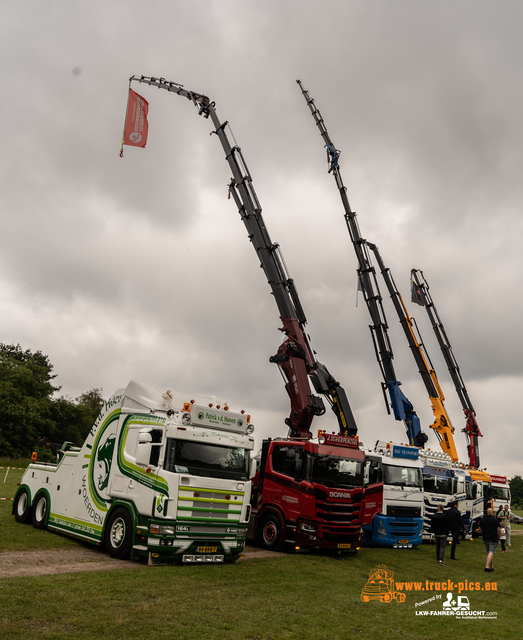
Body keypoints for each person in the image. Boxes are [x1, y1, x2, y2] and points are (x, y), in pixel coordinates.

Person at [479, 507, 501, 572]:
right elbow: (499, 530)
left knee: (489, 552)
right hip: (493, 538)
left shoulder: (482, 520)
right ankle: (486, 567)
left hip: (485, 538)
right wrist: (498, 537)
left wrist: (483, 533)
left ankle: (492, 567)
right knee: (491, 552)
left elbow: (480, 528)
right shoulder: (495, 520)